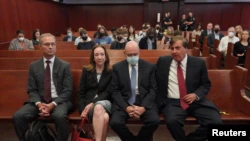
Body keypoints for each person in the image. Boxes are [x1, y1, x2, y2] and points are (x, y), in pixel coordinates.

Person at [155, 36, 222, 141]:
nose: (174, 51)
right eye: (172, 48)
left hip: (196, 102)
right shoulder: (163, 62)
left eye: (177, 48)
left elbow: (205, 85)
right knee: (172, 122)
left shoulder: (198, 63)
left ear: (186, 49)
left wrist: (195, 95)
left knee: (216, 122)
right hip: (174, 102)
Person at [12, 33, 73, 141]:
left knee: (59, 116)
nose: (50, 47)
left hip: (58, 101)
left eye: (53, 44)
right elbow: (32, 89)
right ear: (40, 46)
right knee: (18, 116)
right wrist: (40, 105)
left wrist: (52, 104)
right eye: (47, 44)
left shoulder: (64, 65)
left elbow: (67, 90)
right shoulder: (34, 66)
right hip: (39, 101)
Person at [110, 41, 160, 141]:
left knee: (154, 121)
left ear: (139, 52)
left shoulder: (149, 67)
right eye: (129, 55)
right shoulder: (117, 68)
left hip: (144, 100)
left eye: (135, 54)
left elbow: (153, 90)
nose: (132, 57)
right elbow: (114, 91)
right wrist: (126, 107)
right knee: (115, 123)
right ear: (124, 53)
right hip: (125, 101)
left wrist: (143, 107)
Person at [78, 45, 112, 141]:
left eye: (102, 54)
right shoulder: (86, 71)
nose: (99, 57)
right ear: (93, 57)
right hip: (88, 106)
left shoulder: (111, 71)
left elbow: (108, 92)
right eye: (96, 55)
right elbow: (81, 92)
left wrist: (93, 103)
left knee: (98, 107)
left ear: (106, 56)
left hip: (106, 103)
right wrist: (82, 110)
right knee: (105, 118)